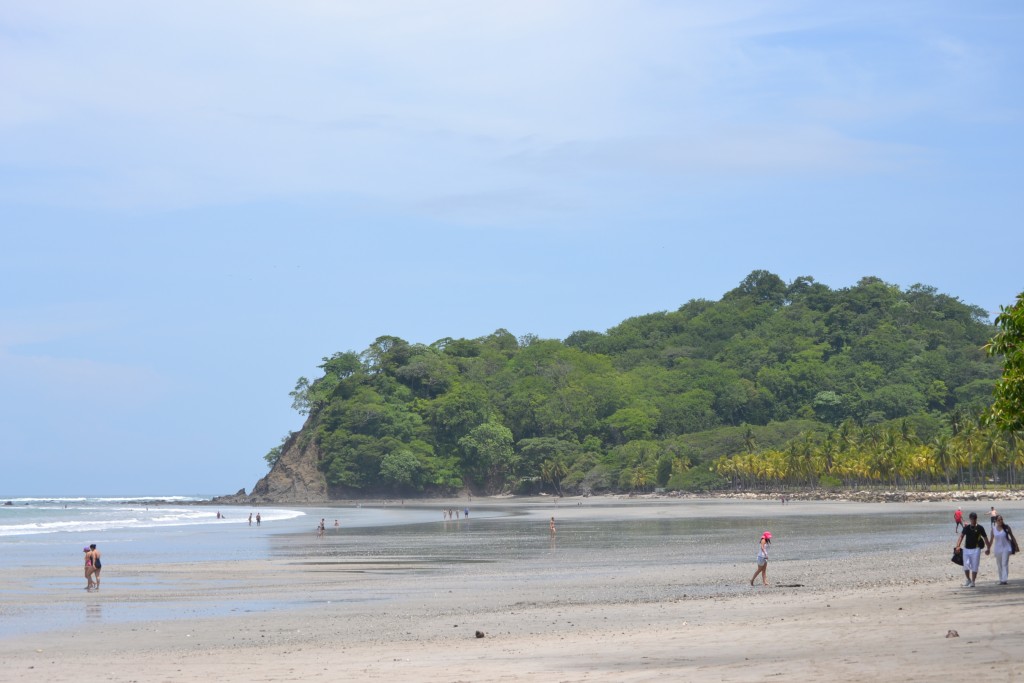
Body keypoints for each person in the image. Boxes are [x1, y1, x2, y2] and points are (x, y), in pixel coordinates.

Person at [955, 512, 989, 587]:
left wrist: (988, 548)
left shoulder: (980, 528)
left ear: (976, 518)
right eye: (972, 519)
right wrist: (958, 546)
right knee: (966, 565)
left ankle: (973, 582)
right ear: (970, 519)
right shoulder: (966, 528)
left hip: (976, 549)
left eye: (975, 518)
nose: (973, 520)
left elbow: (985, 538)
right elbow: (961, 536)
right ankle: (968, 580)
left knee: (975, 565)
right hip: (966, 549)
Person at [990, 515, 1018, 585]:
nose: (1000, 521)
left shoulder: (1006, 527)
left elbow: (1012, 536)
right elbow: (991, 540)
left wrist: (1016, 546)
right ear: (996, 521)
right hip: (997, 549)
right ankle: (1001, 579)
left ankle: (1004, 580)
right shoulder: (993, 529)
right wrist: (988, 548)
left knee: (1004, 563)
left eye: (1001, 519)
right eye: (999, 520)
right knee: (999, 564)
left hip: (1006, 547)